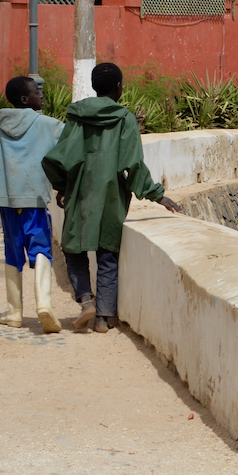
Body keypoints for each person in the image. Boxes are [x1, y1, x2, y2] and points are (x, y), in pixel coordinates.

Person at [42, 62, 181, 333]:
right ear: (119, 87)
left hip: (80, 192)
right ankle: (104, 318)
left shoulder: (76, 116)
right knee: (108, 255)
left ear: (94, 87)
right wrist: (157, 195)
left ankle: (85, 301)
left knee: (74, 250)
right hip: (111, 197)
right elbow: (133, 165)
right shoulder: (126, 119)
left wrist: (62, 187)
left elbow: (60, 156)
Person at [0, 75, 64, 333]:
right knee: (41, 250)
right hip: (35, 201)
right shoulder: (50, 125)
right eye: (37, 91)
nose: (42, 94)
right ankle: (44, 305)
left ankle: (14, 312)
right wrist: (64, 185)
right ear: (26, 99)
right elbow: (69, 152)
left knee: (13, 255)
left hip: (8, 203)